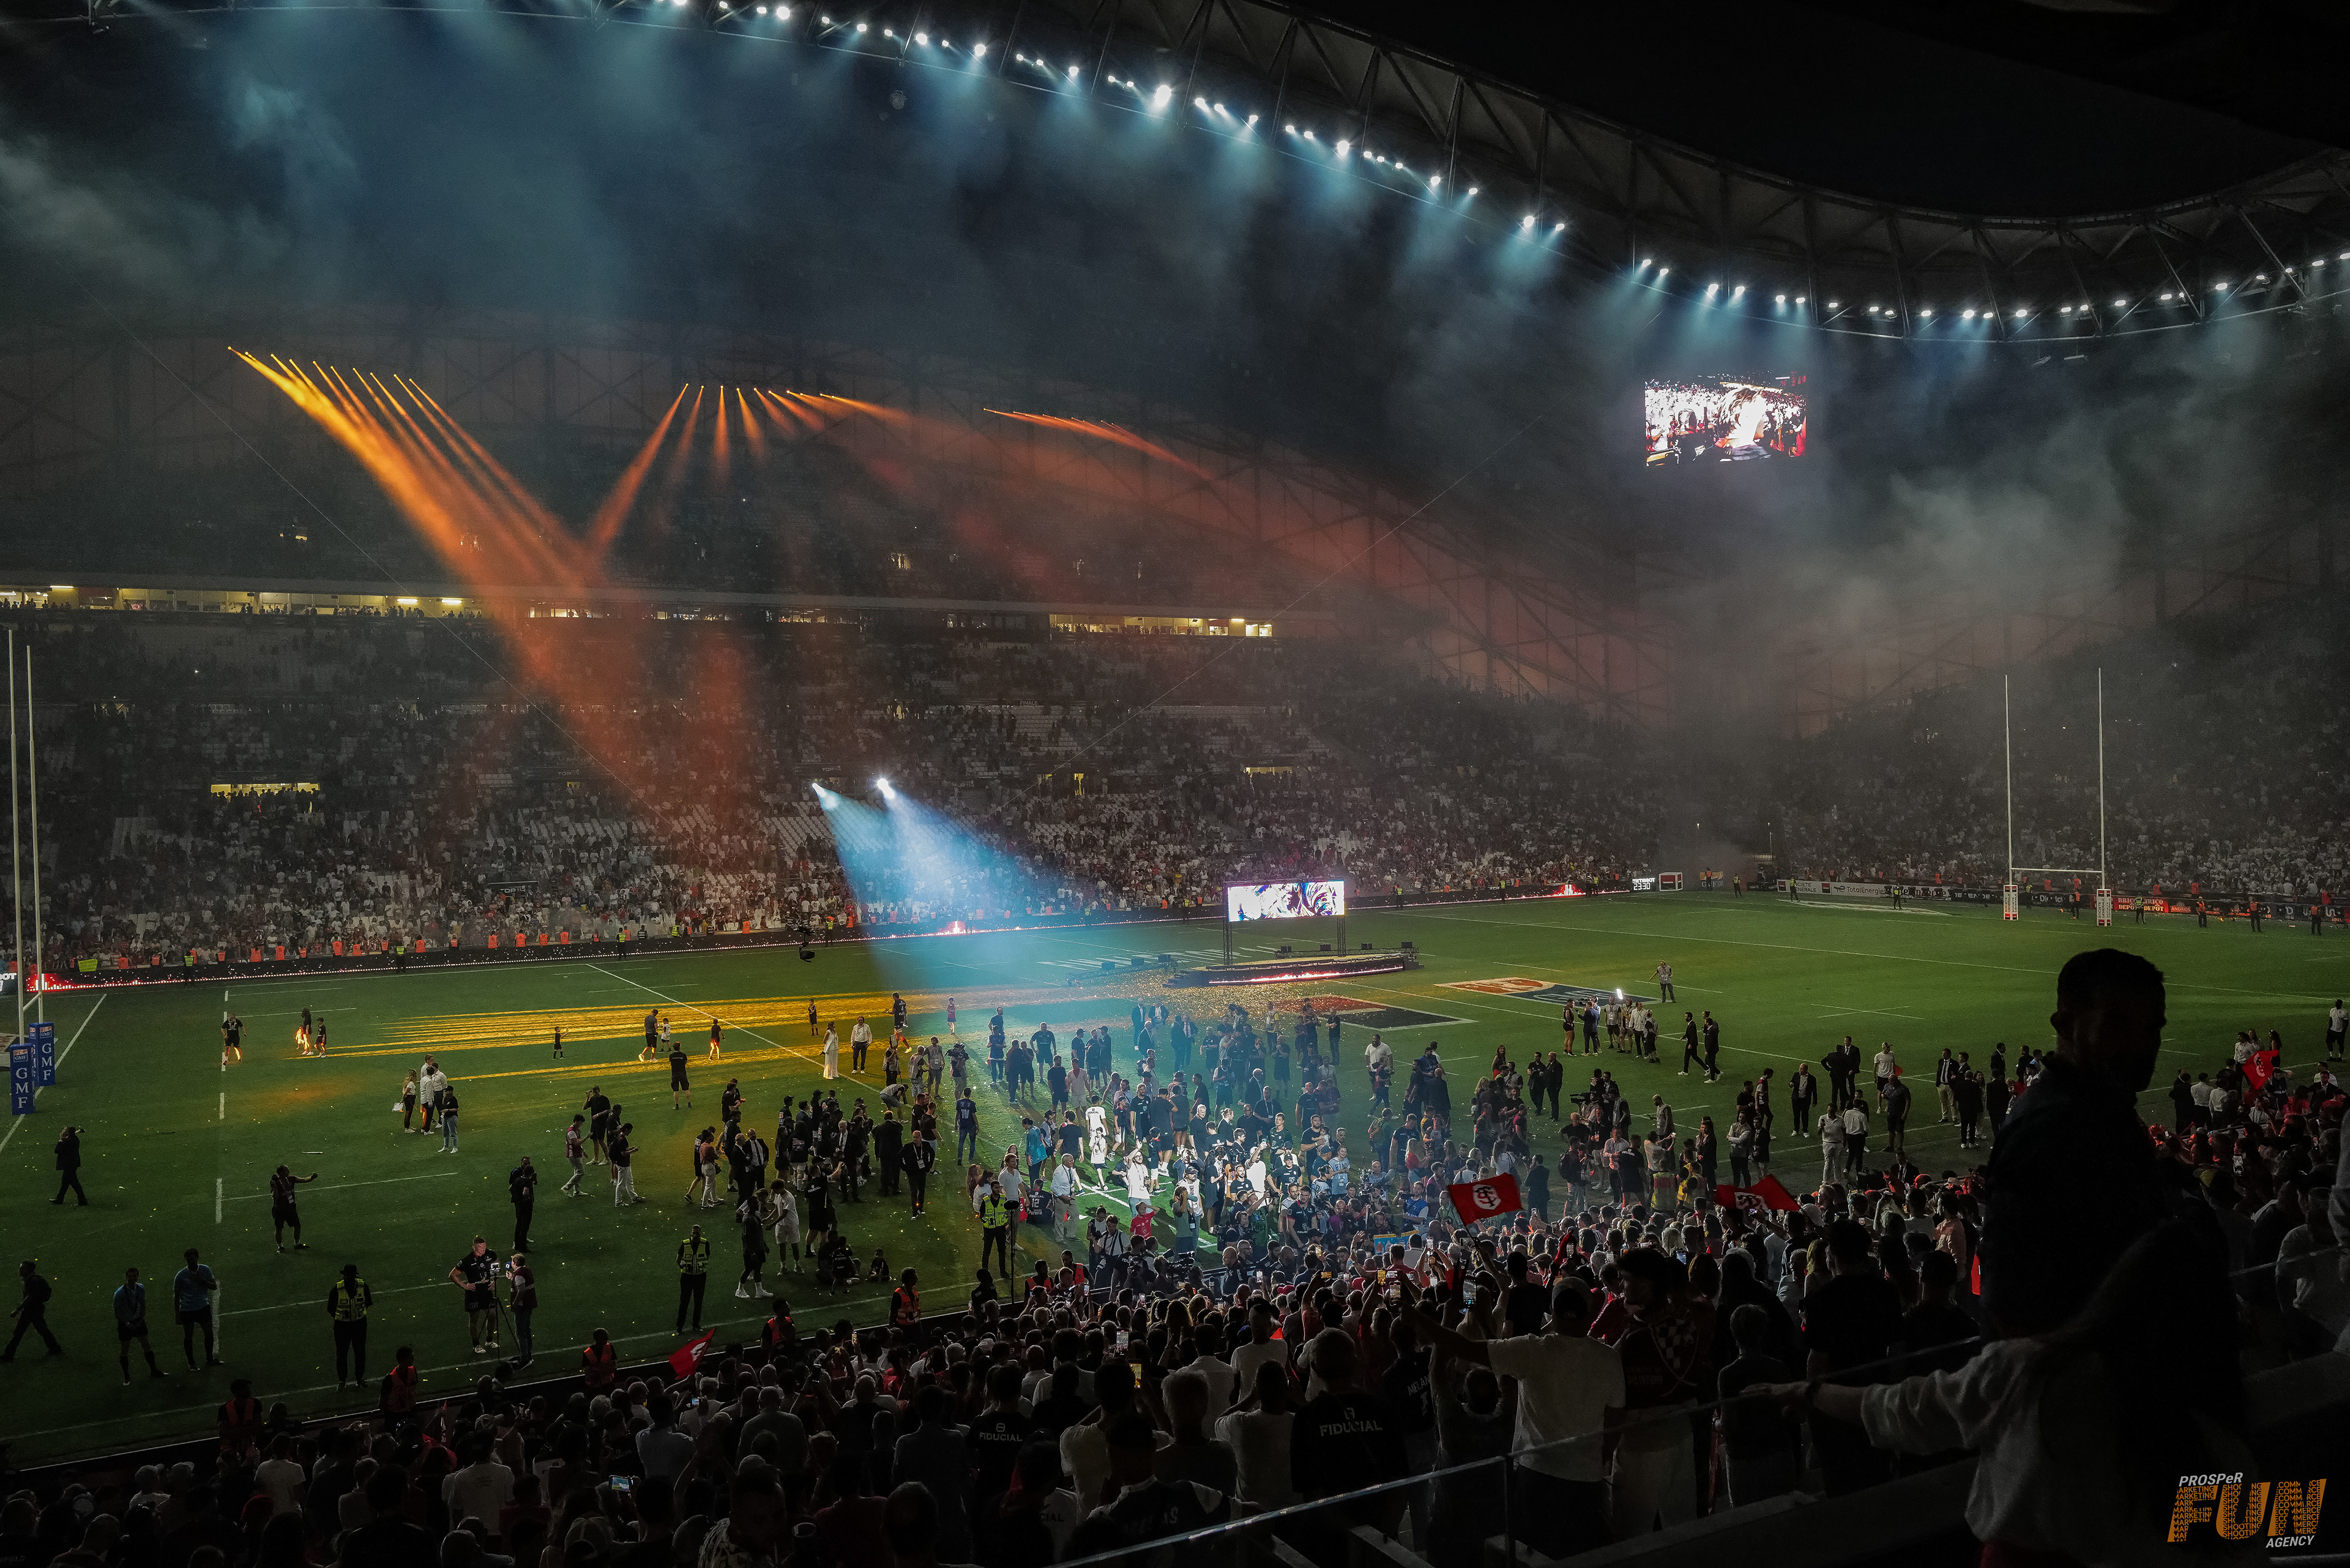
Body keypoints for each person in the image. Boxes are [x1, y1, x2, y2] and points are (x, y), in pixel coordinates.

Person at [1980, 950, 2189, 1336]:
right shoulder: (2053, 1128)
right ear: (2064, 1023)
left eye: (2152, 1028)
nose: (2143, 1044)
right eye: (2118, 1025)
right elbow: (2011, 1304)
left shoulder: (2100, 1106)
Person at [1402, 1277, 1618, 1558]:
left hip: (1536, 1477)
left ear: (1552, 1313)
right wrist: (1599, 1461)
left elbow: (1462, 1354)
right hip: (1587, 1479)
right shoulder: (1609, 1359)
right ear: (1589, 1314)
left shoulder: (1532, 1351)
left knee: (1534, 1555)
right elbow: (1615, 1424)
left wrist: (1429, 1316)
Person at [449, 1236, 501, 1357]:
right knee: (475, 1318)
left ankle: (489, 1340)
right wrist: (464, 1286)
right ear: (474, 1247)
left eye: (484, 1246)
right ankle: (476, 1344)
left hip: (487, 1291)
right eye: (480, 1247)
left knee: (492, 1314)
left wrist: (494, 1280)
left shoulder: (490, 1254)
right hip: (474, 1293)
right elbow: (453, 1275)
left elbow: (496, 1264)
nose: (483, 1249)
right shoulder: (467, 1260)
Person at [114, 1266, 166, 1384]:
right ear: (126, 1277)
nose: (132, 1278)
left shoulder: (141, 1288)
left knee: (147, 1345)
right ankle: (126, 1376)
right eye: (130, 1276)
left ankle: (154, 1370)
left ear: (138, 1277)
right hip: (125, 1324)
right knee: (124, 1349)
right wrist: (127, 1323)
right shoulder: (120, 1293)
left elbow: (142, 1305)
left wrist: (141, 1319)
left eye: (135, 1276)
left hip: (138, 1322)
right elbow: (117, 1313)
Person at [171, 1247, 220, 1370]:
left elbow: (214, 1286)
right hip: (187, 1310)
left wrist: (202, 1281)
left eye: (192, 1260)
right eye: (188, 1261)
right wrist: (177, 1313)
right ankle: (191, 1362)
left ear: (197, 1258)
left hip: (202, 1307)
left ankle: (209, 1358)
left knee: (209, 1334)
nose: (190, 1262)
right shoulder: (181, 1275)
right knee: (188, 1336)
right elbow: (176, 1295)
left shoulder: (205, 1270)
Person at [3, 1259, 61, 1359]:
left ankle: (8, 1355)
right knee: (41, 1330)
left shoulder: (32, 1281)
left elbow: (30, 1297)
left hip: (32, 1310)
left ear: (29, 1269)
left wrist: (18, 1310)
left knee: (20, 1332)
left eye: (23, 1268)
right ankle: (55, 1348)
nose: (20, 1270)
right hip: (35, 1309)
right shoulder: (31, 1280)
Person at [327, 1263, 372, 1388]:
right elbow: (330, 1308)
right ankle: (342, 1380)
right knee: (342, 1353)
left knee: (360, 1352)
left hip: (357, 1324)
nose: (349, 1279)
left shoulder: (362, 1286)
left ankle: (359, 1378)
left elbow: (367, 1302)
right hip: (344, 1326)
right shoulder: (337, 1289)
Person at [270, 1166, 318, 1252]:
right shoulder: (276, 1182)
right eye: (287, 1170)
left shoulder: (291, 1179)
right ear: (281, 1172)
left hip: (290, 1207)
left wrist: (312, 1178)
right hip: (280, 1209)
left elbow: (304, 1180)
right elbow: (275, 1197)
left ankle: (297, 1243)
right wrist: (274, 1187)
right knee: (279, 1228)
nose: (289, 1171)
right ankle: (280, 1246)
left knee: (297, 1226)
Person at [677, 1224, 711, 1332]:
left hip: (700, 1277)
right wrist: (682, 1265)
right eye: (694, 1233)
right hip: (687, 1277)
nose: (695, 1235)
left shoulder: (705, 1243)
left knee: (698, 1301)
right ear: (691, 1233)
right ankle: (680, 1326)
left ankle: (696, 1324)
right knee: (684, 1302)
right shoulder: (685, 1244)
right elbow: (678, 1259)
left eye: (697, 1233)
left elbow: (706, 1257)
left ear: (701, 1233)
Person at [508, 1154, 537, 1253]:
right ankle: (521, 1244)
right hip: (523, 1204)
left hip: (518, 1202)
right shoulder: (518, 1174)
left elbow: (512, 1187)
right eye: (525, 1163)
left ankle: (519, 1242)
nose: (527, 1164)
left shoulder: (520, 1178)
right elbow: (524, 1191)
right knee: (523, 1223)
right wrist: (526, 1198)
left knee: (520, 1223)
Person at [51, 1126, 86, 1206]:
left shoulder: (68, 1142)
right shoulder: (75, 1139)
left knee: (75, 1183)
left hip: (69, 1165)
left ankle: (83, 1200)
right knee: (65, 1183)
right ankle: (60, 1199)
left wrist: (61, 1139)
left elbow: (58, 1150)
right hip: (73, 1164)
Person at [905, 1130, 935, 1216]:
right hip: (912, 1173)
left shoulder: (926, 1145)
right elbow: (900, 1156)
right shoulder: (909, 1147)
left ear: (921, 1137)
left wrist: (929, 1166)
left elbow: (932, 1153)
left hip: (922, 1172)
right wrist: (905, 1168)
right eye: (914, 1137)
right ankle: (914, 1211)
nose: (915, 1139)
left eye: (917, 1137)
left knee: (922, 1190)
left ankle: (920, 1207)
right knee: (914, 1192)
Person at [611, 1121, 641, 1204]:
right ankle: (618, 1201)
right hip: (623, 1164)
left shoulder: (618, 1137)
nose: (630, 1133)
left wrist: (630, 1149)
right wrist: (633, 1151)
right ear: (627, 1129)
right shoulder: (622, 1140)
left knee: (629, 1182)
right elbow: (623, 1153)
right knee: (621, 1184)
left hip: (624, 1164)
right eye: (630, 1131)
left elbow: (622, 1150)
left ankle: (633, 1197)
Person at [561, 1114, 587, 1197]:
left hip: (577, 1153)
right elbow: (576, 1143)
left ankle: (577, 1191)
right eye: (580, 1122)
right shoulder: (572, 1132)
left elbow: (578, 1143)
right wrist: (587, 1137)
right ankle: (566, 1187)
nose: (581, 1124)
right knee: (581, 1172)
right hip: (573, 1154)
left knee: (577, 1172)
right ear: (576, 1121)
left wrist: (583, 1151)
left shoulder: (577, 1130)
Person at [671, 1039, 692, 1109]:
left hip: (675, 1074)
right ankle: (689, 1104)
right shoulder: (683, 1055)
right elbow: (685, 1062)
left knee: (676, 1090)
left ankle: (677, 1105)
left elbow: (671, 1063)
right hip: (683, 1073)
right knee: (686, 1089)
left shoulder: (671, 1056)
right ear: (679, 1047)